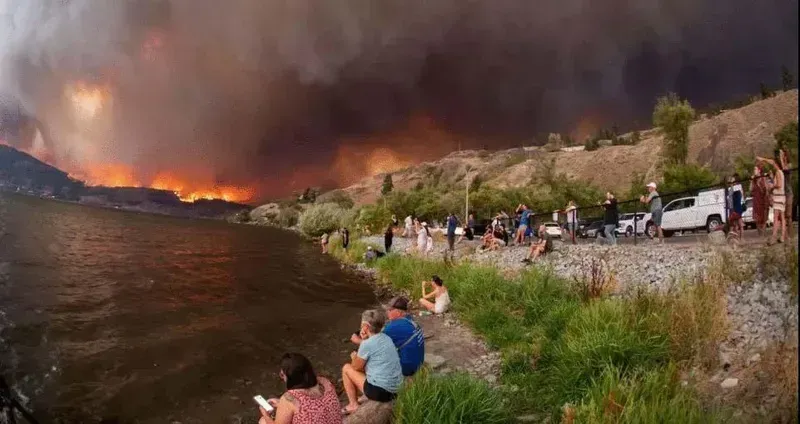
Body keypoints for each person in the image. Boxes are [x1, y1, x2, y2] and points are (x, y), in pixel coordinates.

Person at [341, 310, 403, 415]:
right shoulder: (386, 338)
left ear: (365, 327)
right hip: (396, 388)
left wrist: (354, 357)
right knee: (372, 364)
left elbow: (356, 367)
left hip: (382, 392)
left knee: (346, 368)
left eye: (362, 325)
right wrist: (365, 340)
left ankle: (353, 404)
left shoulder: (367, 344)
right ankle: (363, 395)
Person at [350, 297, 424, 378]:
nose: (387, 312)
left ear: (399, 312)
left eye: (390, 310)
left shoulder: (394, 327)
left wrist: (358, 340)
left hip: (407, 368)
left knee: (365, 361)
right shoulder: (409, 320)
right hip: (418, 363)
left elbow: (375, 343)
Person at [257, 353, 342, 424]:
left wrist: (265, 414)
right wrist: (281, 405)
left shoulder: (290, 398)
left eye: (282, 375)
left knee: (263, 421)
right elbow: (313, 407)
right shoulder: (325, 382)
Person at [758, 154, 788, 244]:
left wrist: (771, 187)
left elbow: (778, 185)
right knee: (782, 218)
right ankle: (782, 236)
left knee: (776, 218)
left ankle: (773, 237)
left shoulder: (778, 172)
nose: (773, 164)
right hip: (782, 197)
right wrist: (763, 158)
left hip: (778, 197)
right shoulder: (781, 172)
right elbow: (771, 161)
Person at [751, 165, 769, 236]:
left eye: (755, 169)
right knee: (757, 221)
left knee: (763, 220)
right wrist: (752, 181)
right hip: (756, 202)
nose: (754, 171)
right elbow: (750, 190)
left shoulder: (763, 178)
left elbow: (765, 190)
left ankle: (763, 235)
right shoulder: (754, 180)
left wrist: (759, 183)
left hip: (762, 201)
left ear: (759, 170)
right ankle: (760, 235)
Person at [726, 175, 745, 242]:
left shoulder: (737, 188)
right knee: (734, 225)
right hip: (733, 208)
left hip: (737, 208)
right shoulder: (732, 188)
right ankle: (733, 239)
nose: (732, 181)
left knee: (739, 224)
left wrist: (731, 186)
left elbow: (737, 197)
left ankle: (741, 238)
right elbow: (730, 197)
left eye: (733, 180)